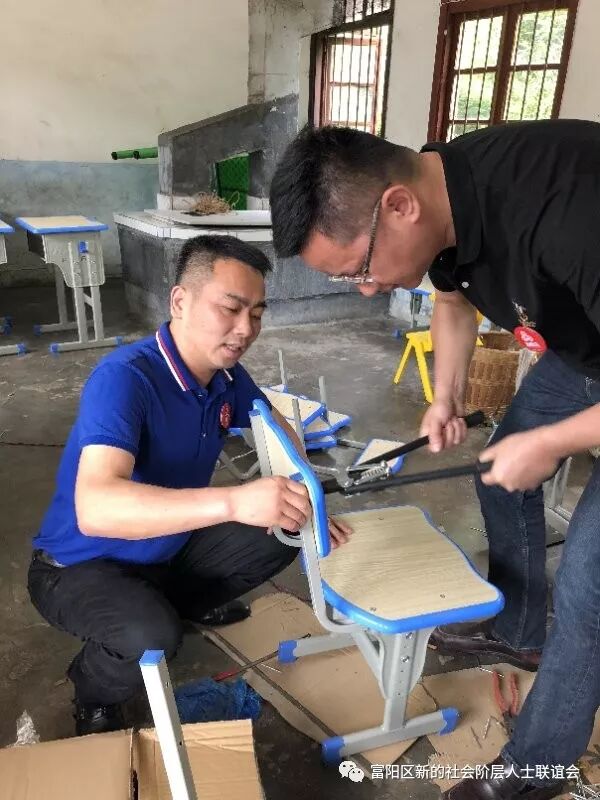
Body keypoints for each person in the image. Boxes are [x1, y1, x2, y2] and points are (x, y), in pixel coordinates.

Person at [268, 121, 600, 800]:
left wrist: (551, 443)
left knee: (589, 589)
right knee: (498, 474)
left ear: (398, 206)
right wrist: (445, 395)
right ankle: (520, 631)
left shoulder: (569, 213)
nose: (365, 290)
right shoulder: (444, 190)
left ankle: (533, 773)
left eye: (359, 270)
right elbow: (452, 299)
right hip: (582, 355)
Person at [28, 234, 351, 736]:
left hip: (162, 552)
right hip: (79, 565)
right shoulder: (125, 379)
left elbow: (276, 426)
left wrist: (305, 494)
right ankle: (92, 690)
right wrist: (234, 500)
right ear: (180, 301)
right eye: (231, 308)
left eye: (257, 314)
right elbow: (96, 508)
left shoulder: (226, 376)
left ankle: (176, 607)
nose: (246, 329)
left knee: (284, 531)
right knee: (151, 635)